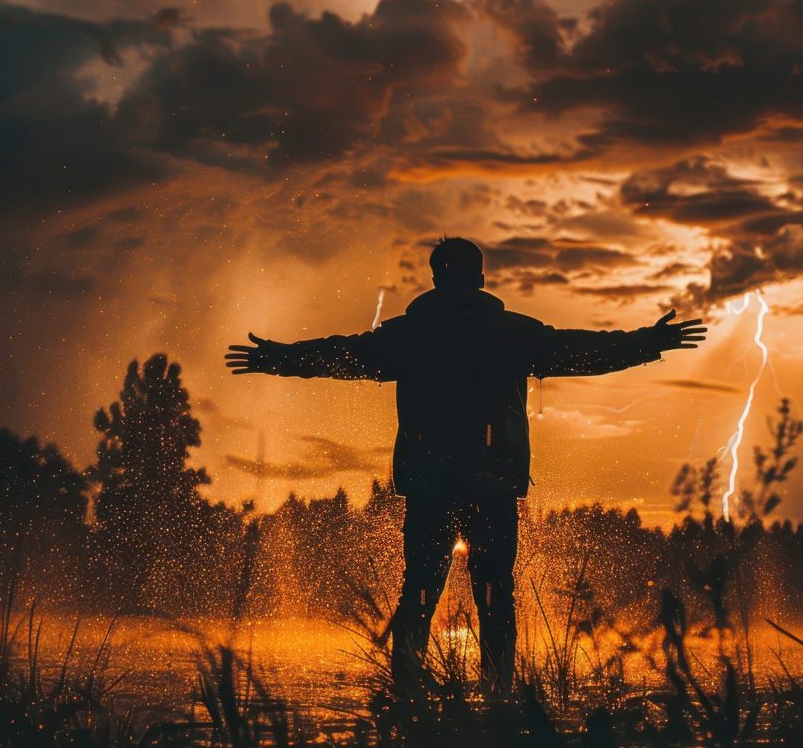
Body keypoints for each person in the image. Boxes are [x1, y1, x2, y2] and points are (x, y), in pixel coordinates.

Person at [225, 237, 706, 698]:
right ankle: (497, 692)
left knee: (419, 588)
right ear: (481, 277)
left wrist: (278, 358)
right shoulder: (512, 333)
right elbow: (585, 351)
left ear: (435, 277)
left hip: (430, 484)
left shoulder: (408, 335)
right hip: (492, 484)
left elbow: (343, 354)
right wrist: (649, 342)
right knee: (496, 590)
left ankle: (407, 688)